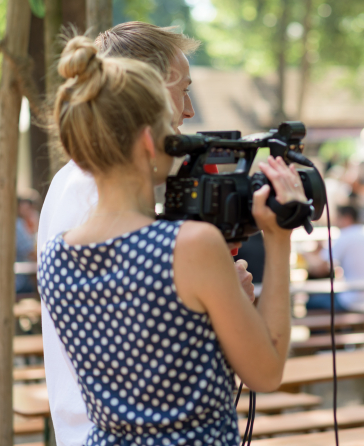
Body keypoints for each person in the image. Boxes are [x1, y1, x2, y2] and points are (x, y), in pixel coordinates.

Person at [38, 36, 304, 445]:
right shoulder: (190, 246)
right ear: (149, 140)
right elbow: (266, 371)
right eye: (170, 128)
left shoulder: (57, 256)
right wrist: (278, 238)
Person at [303, 204, 364, 311]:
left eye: (338, 217)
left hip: (354, 299)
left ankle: (341, 327)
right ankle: (348, 327)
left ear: (347, 218)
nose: (335, 222)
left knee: (311, 303)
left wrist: (306, 255)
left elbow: (320, 269)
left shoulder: (345, 236)